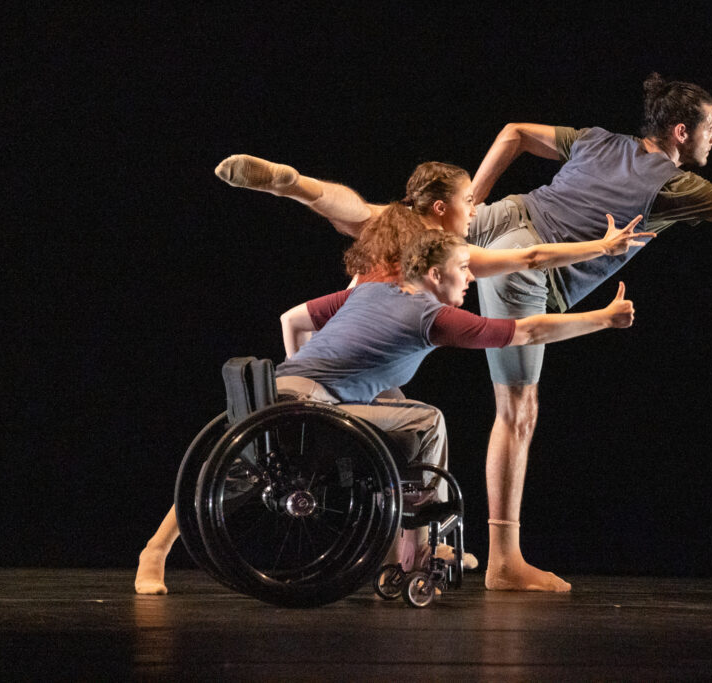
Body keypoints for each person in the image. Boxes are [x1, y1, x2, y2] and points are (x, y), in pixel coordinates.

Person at [202, 71, 712, 593]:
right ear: (681, 133)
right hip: (531, 265)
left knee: (386, 221)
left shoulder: (597, 141)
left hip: (505, 213)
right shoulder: (676, 187)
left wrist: (471, 202)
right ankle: (504, 558)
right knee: (519, 408)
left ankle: (297, 185)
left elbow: (514, 133)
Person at [135, 159, 648, 594]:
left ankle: (157, 551)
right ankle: (416, 555)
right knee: (427, 425)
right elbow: (528, 283)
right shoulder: (436, 284)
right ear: (441, 218)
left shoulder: (386, 259)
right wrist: (602, 288)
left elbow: (293, 317)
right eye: (470, 201)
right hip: (332, 387)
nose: (475, 210)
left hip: (304, 378)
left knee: (232, 470)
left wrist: (301, 378)